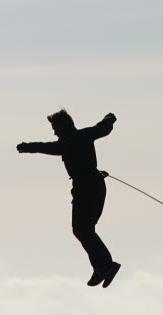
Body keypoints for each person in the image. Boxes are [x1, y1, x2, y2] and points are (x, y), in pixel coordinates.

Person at [17, 109, 121, 287]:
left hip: (86, 188)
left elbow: (46, 147)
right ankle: (104, 266)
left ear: (63, 127)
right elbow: (103, 128)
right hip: (93, 185)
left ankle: (105, 266)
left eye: (55, 128)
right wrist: (109, 118)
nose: (55, 132)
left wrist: (27, 147)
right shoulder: (84, 135)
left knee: (82, 229)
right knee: (84, 229)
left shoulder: (67, 142)